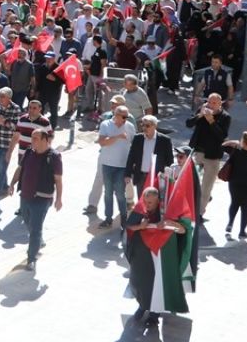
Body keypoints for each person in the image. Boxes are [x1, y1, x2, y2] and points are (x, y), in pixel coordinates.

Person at [124, 187, 190, 328]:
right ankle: (142, 306)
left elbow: (183, 230)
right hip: (142, 256)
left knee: (158, 284)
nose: (147, 205)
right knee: (142, 282)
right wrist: (140, 226)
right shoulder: (140, 209)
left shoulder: (166, 213)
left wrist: (169, 224)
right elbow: (128, 227)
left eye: (151, 203)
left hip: (160, 256)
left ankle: (154, 315)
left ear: (158, 202)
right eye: (146, 202)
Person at [12, 129, 63, 272]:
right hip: (25, 195)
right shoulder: (29, 152)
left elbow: (58, 180)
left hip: (42, 199)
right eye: (32, 138)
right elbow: (20, 169)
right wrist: (12, 184)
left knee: (35, 229)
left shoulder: (54, 157)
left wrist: (59, 199)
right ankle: (38, 240)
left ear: (45, 140)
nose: (32, 141)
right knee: (28, 222)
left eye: (35, 138)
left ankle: (31, 259)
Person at [186, 93, 230, 215]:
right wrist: (199, 115)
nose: (211, 105)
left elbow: (222, 136)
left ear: (220, 104)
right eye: (209, 102)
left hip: (213, 155)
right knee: (191, 181)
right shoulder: (202, 110)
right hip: (198, 152)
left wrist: (211, 121)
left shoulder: (225, 117)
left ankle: (199, 213)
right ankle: (196, 203)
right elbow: (188, 124)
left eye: (214, 103)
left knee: (207, 186)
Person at [96, 105, 135, 229]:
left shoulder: (130, 127)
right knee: (107, 192)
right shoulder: (105, 124)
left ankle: (124, 218)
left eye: (126, 117)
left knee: (120, 193)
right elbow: (102, 142)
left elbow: (134, 145)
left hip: (123, 166)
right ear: (116, 115)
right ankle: (108, 218)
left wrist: (133, 166)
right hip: (107, 164)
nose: (125, 119)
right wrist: (117, 137)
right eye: (123, 116)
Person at [126, 115, 174, 186]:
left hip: (156, 177)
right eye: (143, 125)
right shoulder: (137, 138)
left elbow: (169, 160)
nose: (144, 128)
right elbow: (131, 157)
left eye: (147, 126)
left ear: (155, 126)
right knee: (141, 197)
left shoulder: (164, 140)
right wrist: (127, 174)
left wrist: (168, 176)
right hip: (140, 177)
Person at [0, 89, 20, 200]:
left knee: (2, 170)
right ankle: (5, 187)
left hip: (7, 144)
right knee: (0, 168)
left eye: (2, 96)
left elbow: (16, 127)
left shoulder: (15, 108)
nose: (0, 98)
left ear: (9, 98)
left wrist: (5, 122)